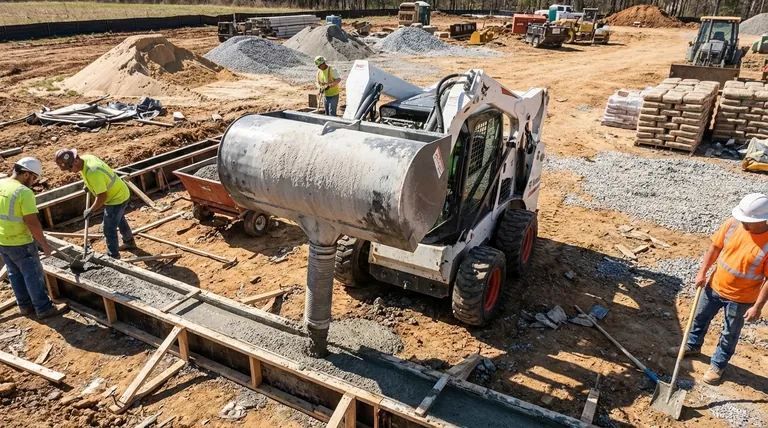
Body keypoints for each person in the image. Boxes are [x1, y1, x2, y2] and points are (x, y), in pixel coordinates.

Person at [669, 193, 768, 384]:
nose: (743, 224)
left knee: (729, 333)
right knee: (699, 317)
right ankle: (692, 346)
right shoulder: (733, 224)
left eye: (748, 221)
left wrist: (757, 306)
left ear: (764, 220)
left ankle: (718, 365)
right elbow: (715, 248)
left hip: (741, 298)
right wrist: (702, 272)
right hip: (714, 286)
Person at [0, 158, 67, 318]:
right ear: (26, 174)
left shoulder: (1, 184)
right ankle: (43, 308)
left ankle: (25, 306)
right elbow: (32, 222)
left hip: (3, 240)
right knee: (33, 274)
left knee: (14, 273)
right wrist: (44, 244)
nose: (34, 182)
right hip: (21, 242)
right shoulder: (23, 192)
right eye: (34, 178)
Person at [54, 149, 135, 259]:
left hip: (116, 198)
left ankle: (113, 257)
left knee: (108, 228)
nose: (69, 172)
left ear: (76, 161)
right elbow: (98, 177)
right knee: (119, 218)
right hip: (120, 191)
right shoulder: (86, 159)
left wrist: (91, 210)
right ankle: (129, 241)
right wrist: (88, 185)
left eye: (69, 168)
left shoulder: (93, 171)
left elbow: (102, 196)